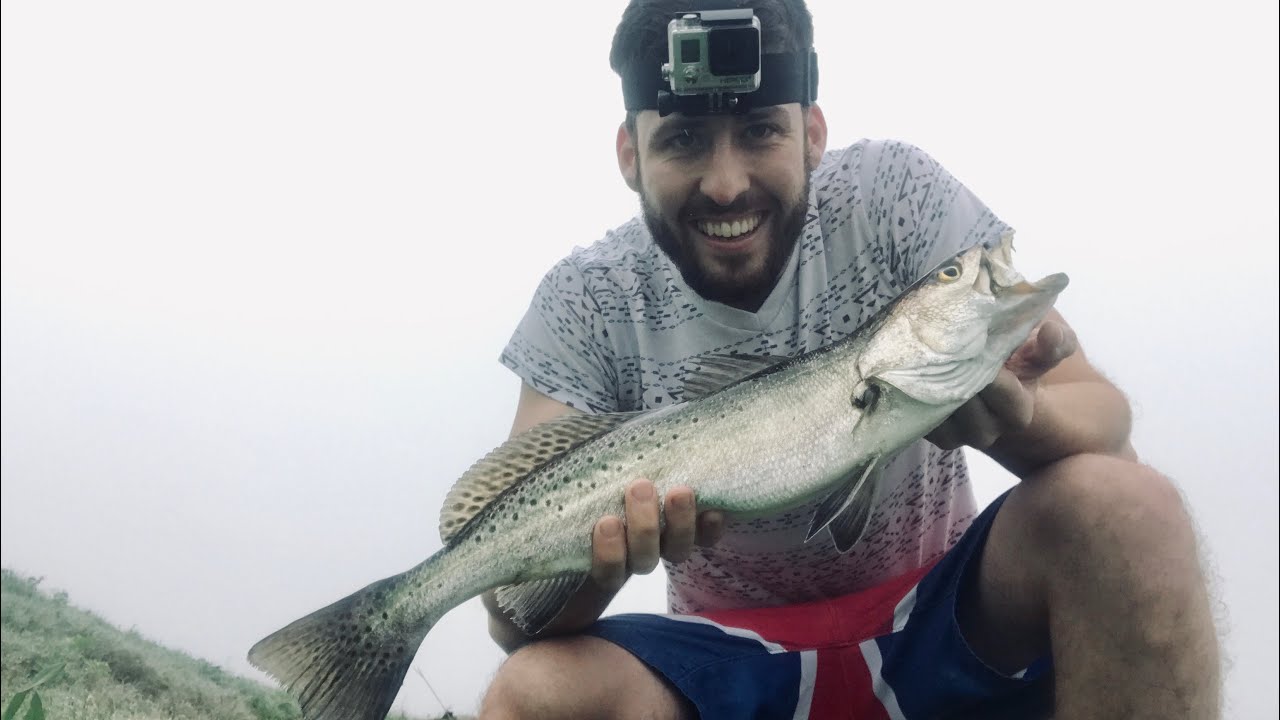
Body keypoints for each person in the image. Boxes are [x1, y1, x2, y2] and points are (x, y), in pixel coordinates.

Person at [478, 1, 1220, 717]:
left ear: (812, 133)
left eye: (761, 130)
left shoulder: (894, 194)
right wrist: (599, 561)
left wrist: (1025, 420)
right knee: (536, 693)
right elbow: (510, 622)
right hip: (722, 663)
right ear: (629, 155)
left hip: (944, 617)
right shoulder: (583, 298)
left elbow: (1107, 423)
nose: (727, 182)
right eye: (683, 140)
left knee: (1132, 510)